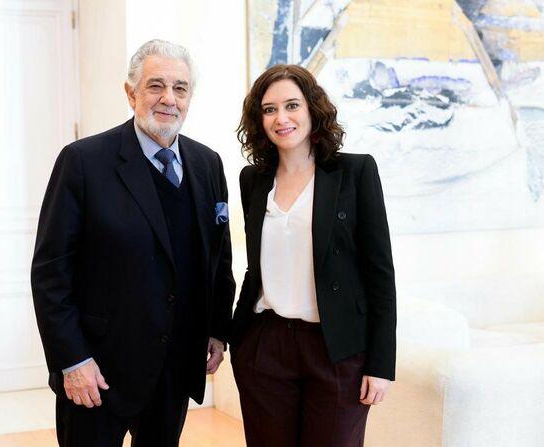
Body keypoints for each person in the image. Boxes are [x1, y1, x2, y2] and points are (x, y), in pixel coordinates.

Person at [31, 39, 235, 447]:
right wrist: (72, 359)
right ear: (131, 93)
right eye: (155, 85)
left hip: (174, 368)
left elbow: (217, 255)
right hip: (97, 373)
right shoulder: (83, 162)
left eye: (180, 88)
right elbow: (51, 272)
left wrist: (216, 329)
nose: (168, 99)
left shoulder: (207, 163)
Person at [231, 64, 396, 447]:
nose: (281, 118)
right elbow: (256, 268)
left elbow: (380, 274)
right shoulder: (252, 180)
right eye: (269, 109)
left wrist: (381, 364)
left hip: (336, 349)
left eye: (292, 105)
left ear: (312, 110)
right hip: (264, 346)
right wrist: (234, 340)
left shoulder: (355, 172)